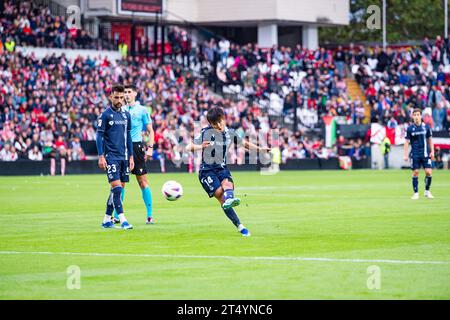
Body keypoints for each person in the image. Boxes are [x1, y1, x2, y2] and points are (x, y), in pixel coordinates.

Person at [186, 107, 271, 237]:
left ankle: (230, 200)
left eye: (220, 122)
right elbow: (188, 147)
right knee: (220, 194)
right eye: (215, 124)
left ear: (224, 119)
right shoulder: (205, 133)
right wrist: (200, 146)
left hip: (221, 167)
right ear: (211, 124)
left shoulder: (230, 133)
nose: (219, 126)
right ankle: (239, 224)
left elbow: (245, 144)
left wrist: (260, 149)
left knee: (228, 185)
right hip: (207, 171)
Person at [112, 84, 155, 225]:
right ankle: (118, 215)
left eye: (129, 92)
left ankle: (149, 215)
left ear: (135, 93)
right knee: (121, 183)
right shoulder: (120, 109)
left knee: (142, 182)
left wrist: (150, 147)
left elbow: (151, 131)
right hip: (121, 148)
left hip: (136, 147)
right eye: (125, 92)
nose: (127, 94)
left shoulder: (142, 110)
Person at [96, 84, 134, 229]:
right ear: (110, 97)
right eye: (116, 97)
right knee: (117, 188)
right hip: (111, 157)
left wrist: (130, 156)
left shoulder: (126, 115)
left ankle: (106, 220)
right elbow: (99, 136)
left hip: (124, 157)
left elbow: (128, 136)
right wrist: (101, 156)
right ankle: (123, 220)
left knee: (117, 190)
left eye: (121, 97)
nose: (119, 100)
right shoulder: (105, 115)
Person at [403, 108, 434, 200]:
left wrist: (432, 151)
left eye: (418, 115)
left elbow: (430, 140)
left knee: (428, 172)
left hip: (425, 153)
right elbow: (406, 142)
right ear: (412, 117)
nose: (416, 117)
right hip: (415, 154)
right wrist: (405, 154)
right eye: (414, 115)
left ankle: (427, 191)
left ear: (421, 116)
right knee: (415, 172)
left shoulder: (426, 127)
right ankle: (416, 193)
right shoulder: (409, 129)